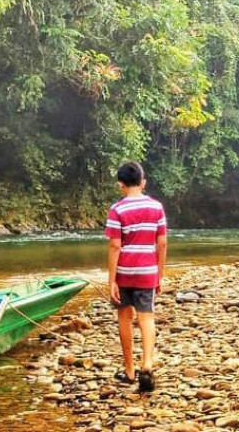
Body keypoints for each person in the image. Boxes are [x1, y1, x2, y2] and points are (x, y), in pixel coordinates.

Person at [105, 162, 168, 393]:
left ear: (121, 184)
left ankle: (130, 370)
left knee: (124, 315)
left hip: (124, 271)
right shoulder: (156, 207)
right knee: (146, 316)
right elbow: (161, 243)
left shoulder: (117, 209)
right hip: (147, 271)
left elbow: (114, 246)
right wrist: (159, 273)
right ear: (143, 182)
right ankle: (148, 363)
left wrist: (111, 280)